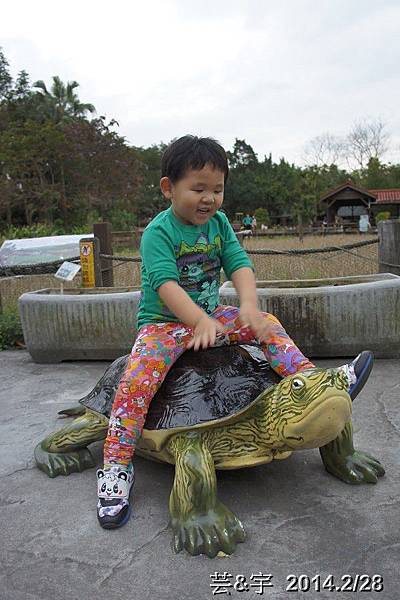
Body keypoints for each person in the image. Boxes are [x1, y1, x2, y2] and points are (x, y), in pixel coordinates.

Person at [96, 135, 373, 529]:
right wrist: (198, 321)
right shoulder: (159, 233)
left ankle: (310, 379)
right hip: (164, 327)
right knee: (135, 385)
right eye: (198, 189)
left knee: (269, 324)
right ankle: (115, 467)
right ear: (168, 188)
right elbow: (165, 284)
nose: (209, 199)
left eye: (217, 189)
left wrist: (247, 308)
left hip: (209, 316)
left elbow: (239, 264)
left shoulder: (220, 224)